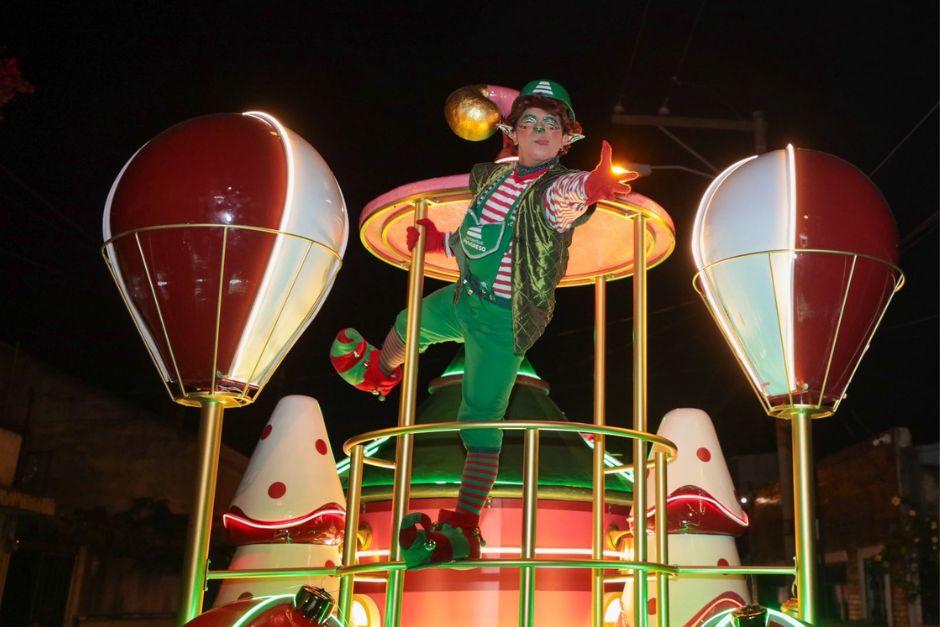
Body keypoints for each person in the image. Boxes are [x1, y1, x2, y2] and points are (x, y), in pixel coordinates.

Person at [331, 80, 636, 567]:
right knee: (412, 320)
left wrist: (592, 186)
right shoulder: (497, 180)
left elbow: (567, 196)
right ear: (513, 133)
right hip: (466, 297)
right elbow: (478, 233)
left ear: (566, 139)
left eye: (551, 125)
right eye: (529, 122)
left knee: (477, 419)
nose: (540, 130)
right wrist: (439, 243)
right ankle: (380, 372)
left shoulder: (550, 190)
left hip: (501, 321)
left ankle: (464, 527)